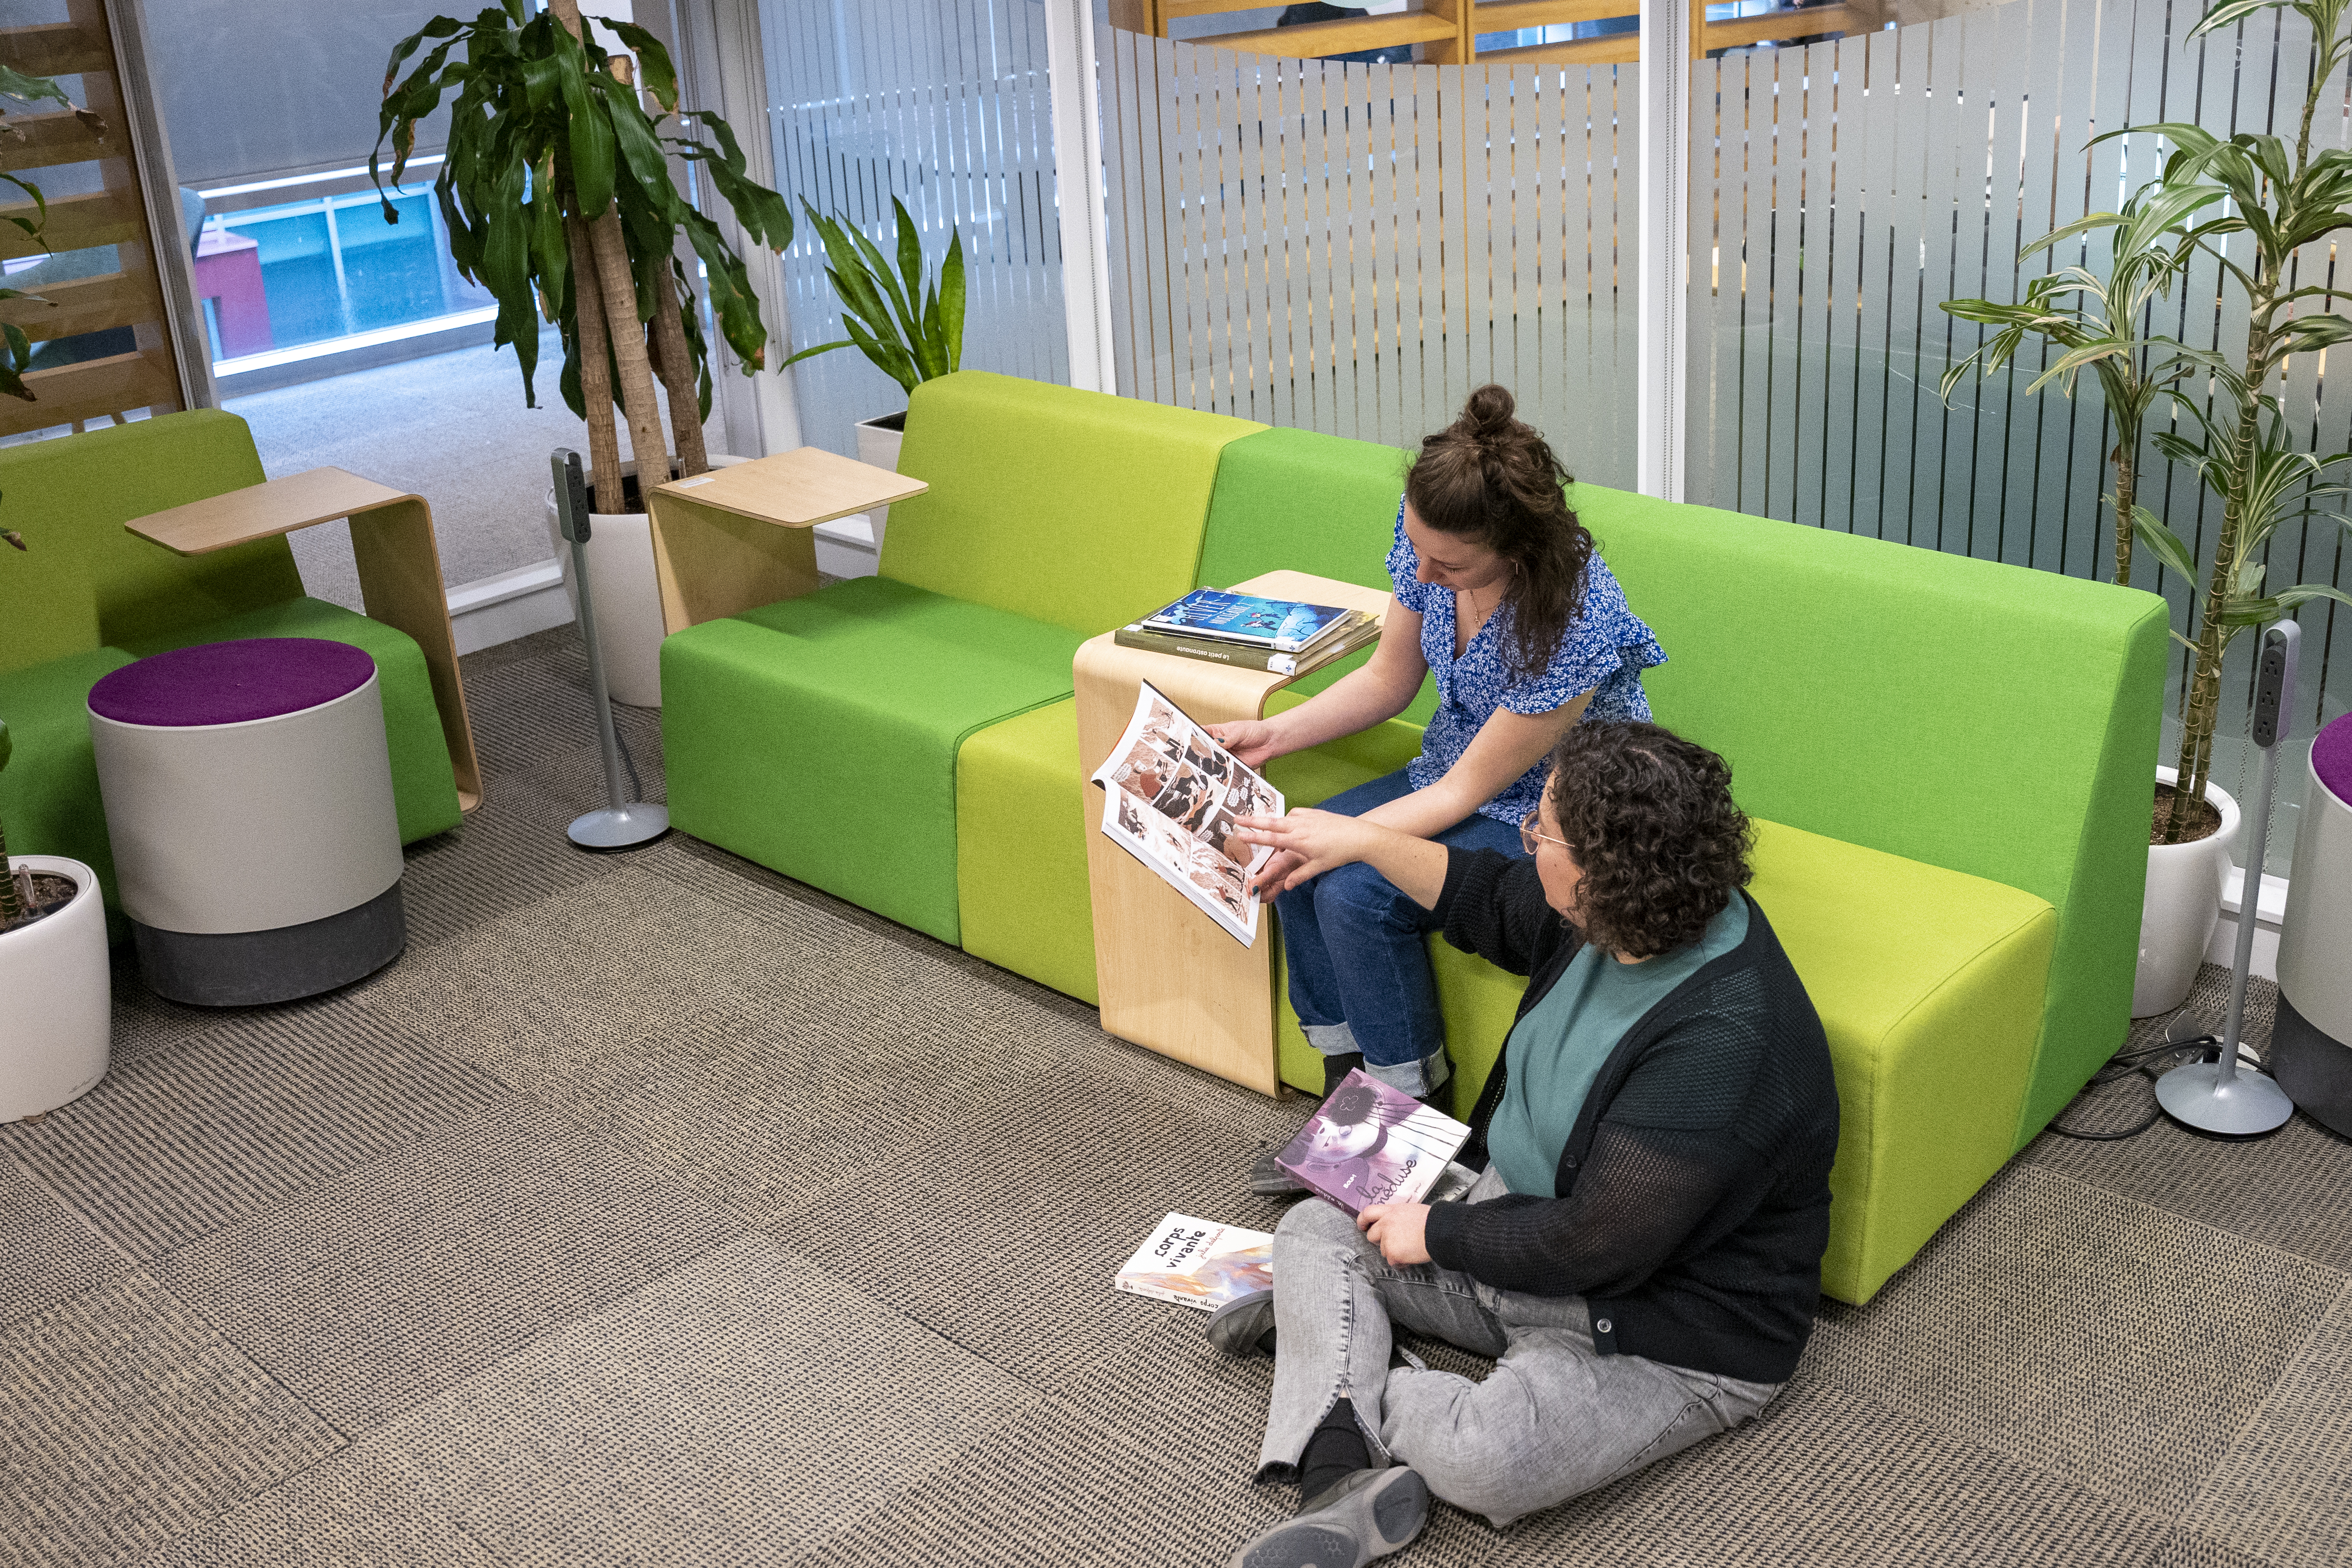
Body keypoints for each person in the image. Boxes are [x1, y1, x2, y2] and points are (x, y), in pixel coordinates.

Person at [1209, 721, 1839, 1567]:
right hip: (1518, 1226)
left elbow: (1599, 1243)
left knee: (1486, 1459)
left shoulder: (1722, 1041)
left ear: (1601, 871)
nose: (1525, 837)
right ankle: (1338, 1474)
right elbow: (1481, 896)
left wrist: (1434, 1235)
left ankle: (1341, 1362)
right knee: (1318, 1227)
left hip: (1659, 1323)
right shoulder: (1627, 916)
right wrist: (1355, 839)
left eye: (1540, 830)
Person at [1206, 385, 1664, 1168]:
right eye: (1415, 548)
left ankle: (1412, 1131)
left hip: (1550, 814)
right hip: (1453, 767)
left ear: (1513, 551)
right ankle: (1345, 1111)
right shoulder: (1434, 543)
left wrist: (1348, 837)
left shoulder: (1576, 619)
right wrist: (1272, 732)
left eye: (1444, 563)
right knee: (1291, 860)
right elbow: (1390, 679)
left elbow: (1466, 797)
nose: (1420, 570)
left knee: (1351, 885)